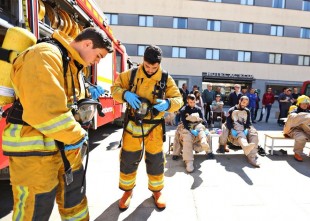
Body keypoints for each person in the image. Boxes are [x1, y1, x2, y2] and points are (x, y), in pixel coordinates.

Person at [2, 27, 113, 220]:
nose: (98, 62)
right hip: (36, 155)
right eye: (99, 56)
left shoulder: (73, 64)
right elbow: (46, 113)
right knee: (34, 212)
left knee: (76, 204)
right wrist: (78, 135)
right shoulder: (43, 56)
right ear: (87, 44)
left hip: (65, 150)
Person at [111, 45, 183, 210]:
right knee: (128, 159)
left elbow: (179, 99)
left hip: (154, 128)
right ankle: (127, 191)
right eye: (147, 66)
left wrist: (168, 103)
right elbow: (114, 88)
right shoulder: (131, 74)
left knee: (156, 161)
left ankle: (157, 191)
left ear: (159, 64)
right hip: (132, 125)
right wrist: (124, 94)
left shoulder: (165, 79)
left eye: (154, 67)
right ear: (143, 61)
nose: (150, 70)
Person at [172, 94, 214, 172]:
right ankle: (188, 161)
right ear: (187, 101)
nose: (192, 104)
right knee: (187, 138)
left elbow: (203, 118)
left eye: (194, 102)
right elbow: (184, 122)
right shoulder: (183, 110)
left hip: (197, 124)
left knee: (202, 132)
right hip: (186, 127)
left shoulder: (198, 109)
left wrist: (206, 125)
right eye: (191, 102)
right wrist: (191, 130)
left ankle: (206, 148)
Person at [217, 96, 260, 167]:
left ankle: (251, 157)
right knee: (230, 130)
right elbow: (228, 122)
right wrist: (231, 129)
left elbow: (248, 122)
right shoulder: (231, 110)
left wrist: (246, 128)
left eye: (246, 103)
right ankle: (244, 146)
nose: (244, 104)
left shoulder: (247, 111)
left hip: (243, 128)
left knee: (254, 133)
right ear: (240, 101)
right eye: (243, 102)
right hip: (234, 128)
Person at [283, 95, 310, 162]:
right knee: (301, 137)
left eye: (306, 103)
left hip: (308, 130)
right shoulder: (294, 112)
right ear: (299, 103)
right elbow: (293, 119)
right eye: (303, 103)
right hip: (295, 130)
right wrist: (307, 117)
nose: (305, 105)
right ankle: (297, 153)